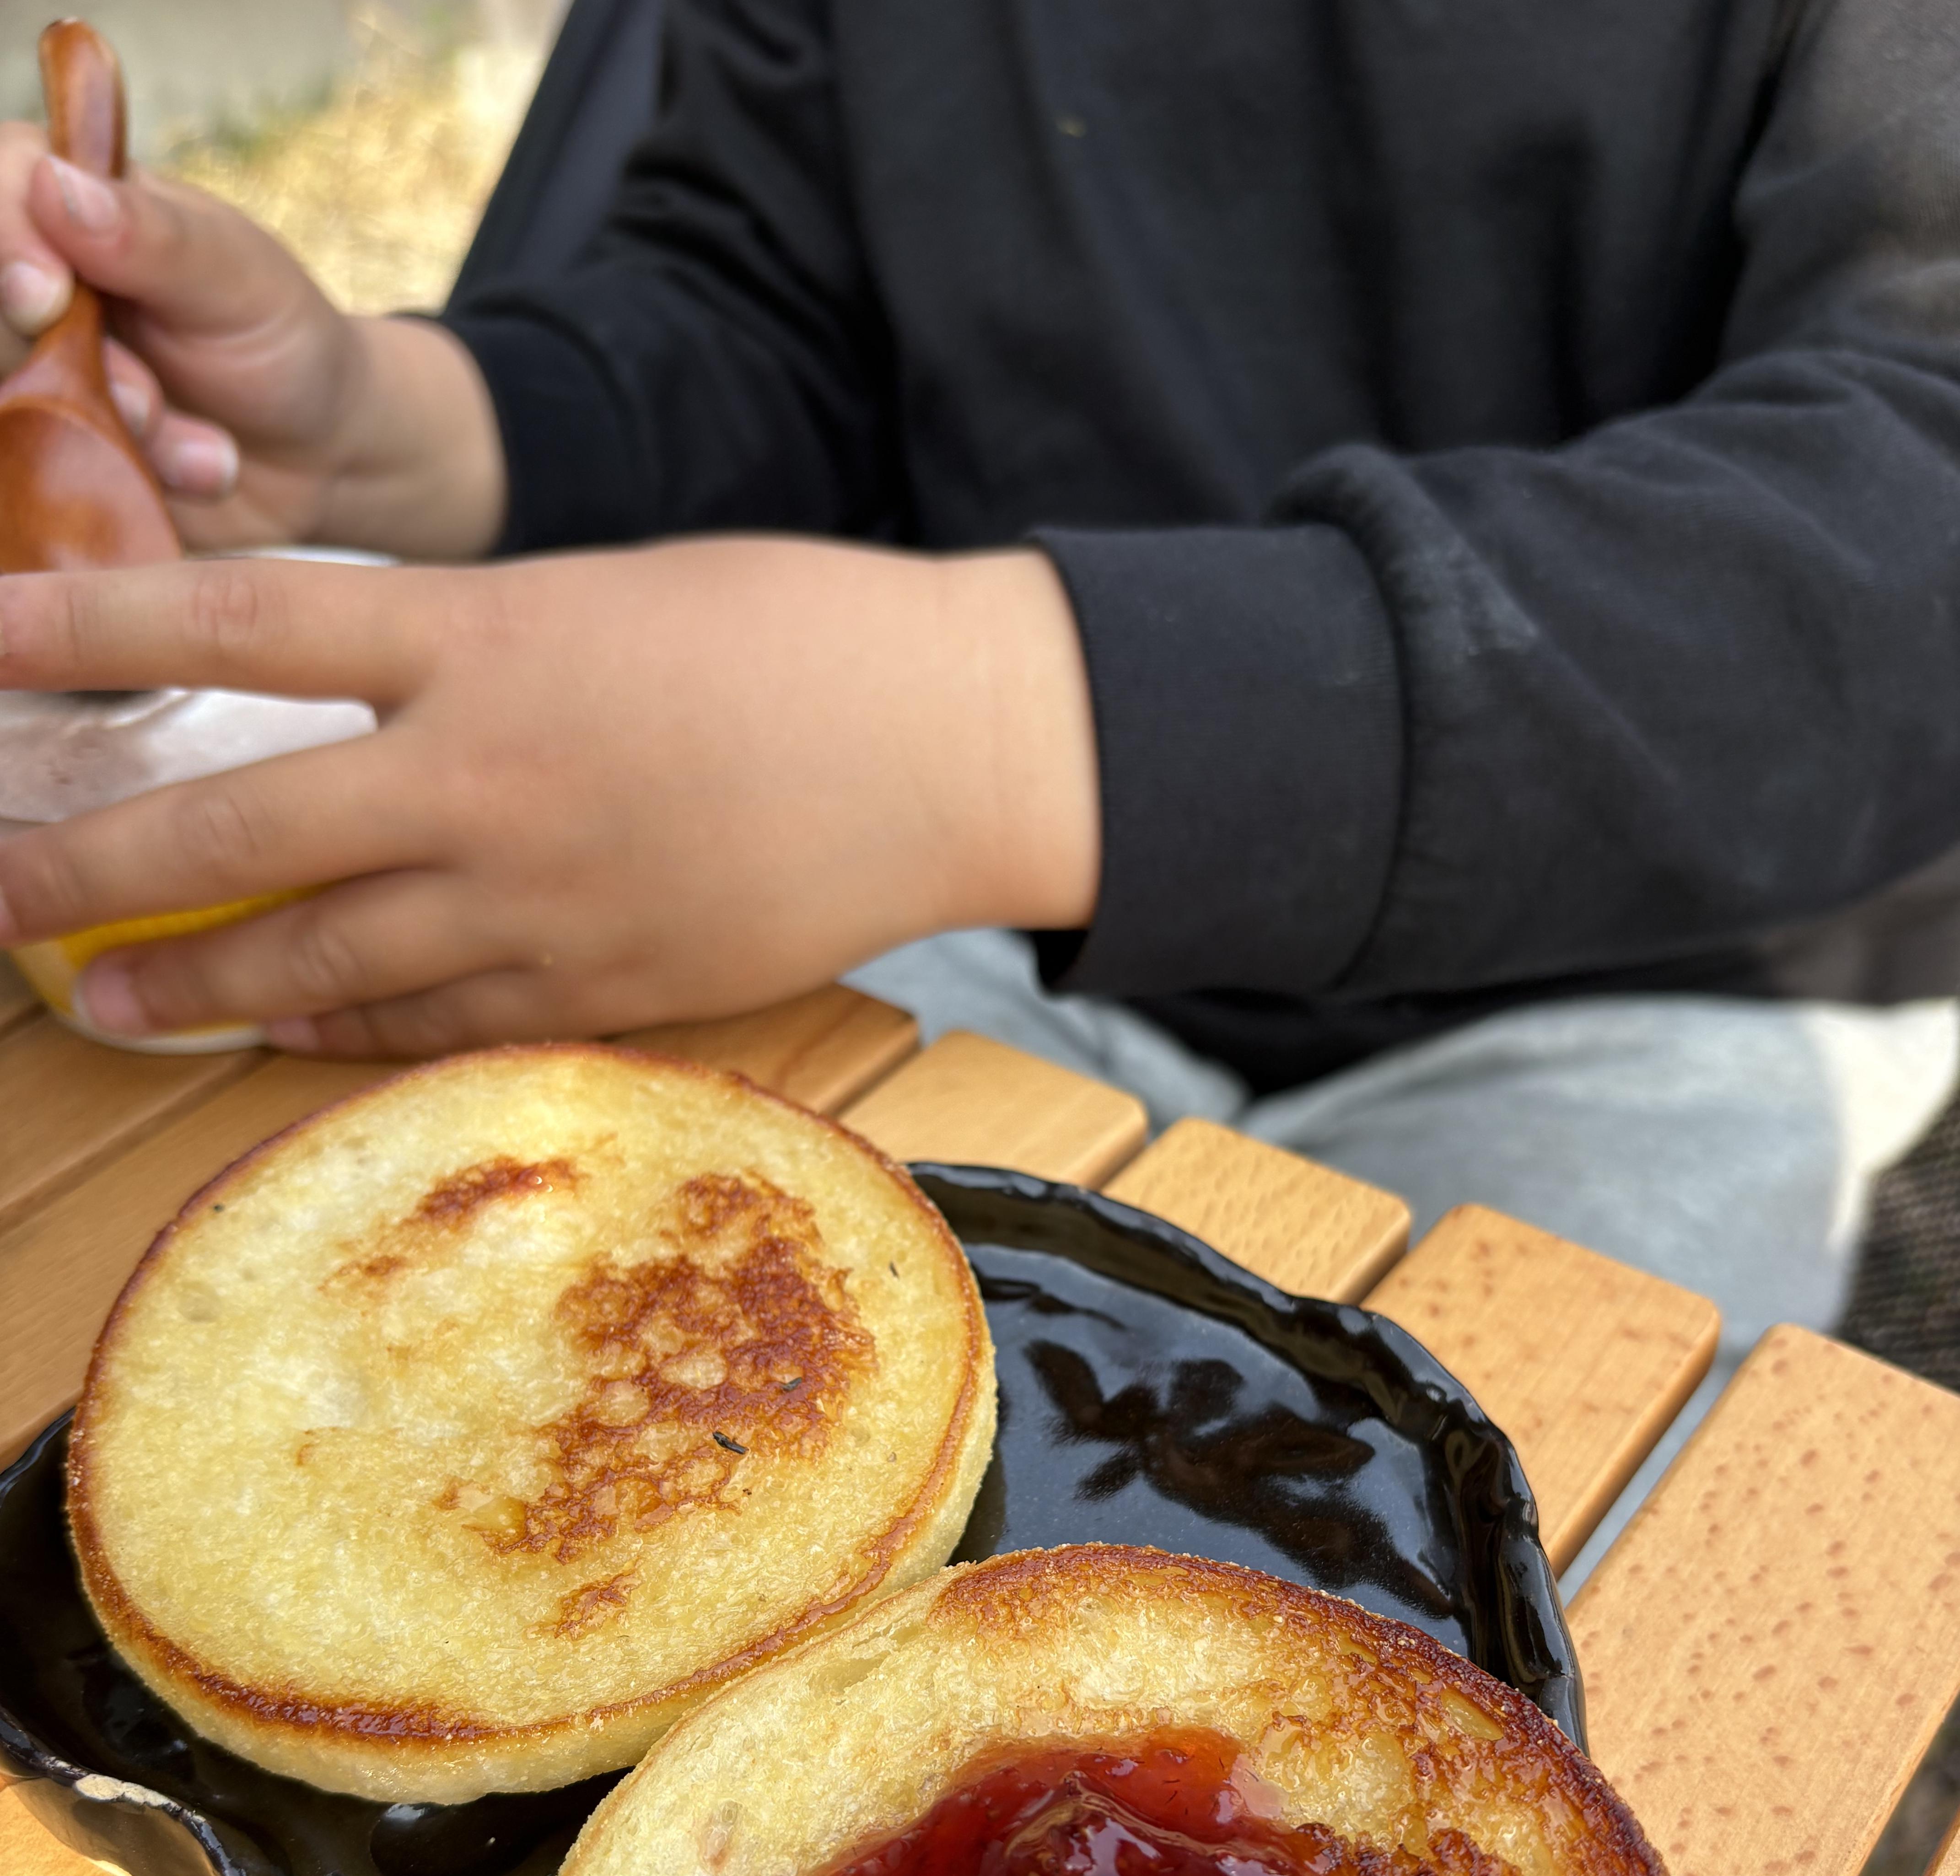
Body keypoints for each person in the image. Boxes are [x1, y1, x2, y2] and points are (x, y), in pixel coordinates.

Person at [0, 0, 1956, 1570]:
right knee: (604, 1459)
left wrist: (999, 726)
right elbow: (768, 310)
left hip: (1670, 956)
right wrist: (406, 428)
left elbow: (1907, 506)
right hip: (953, 890)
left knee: (1476, 1628)